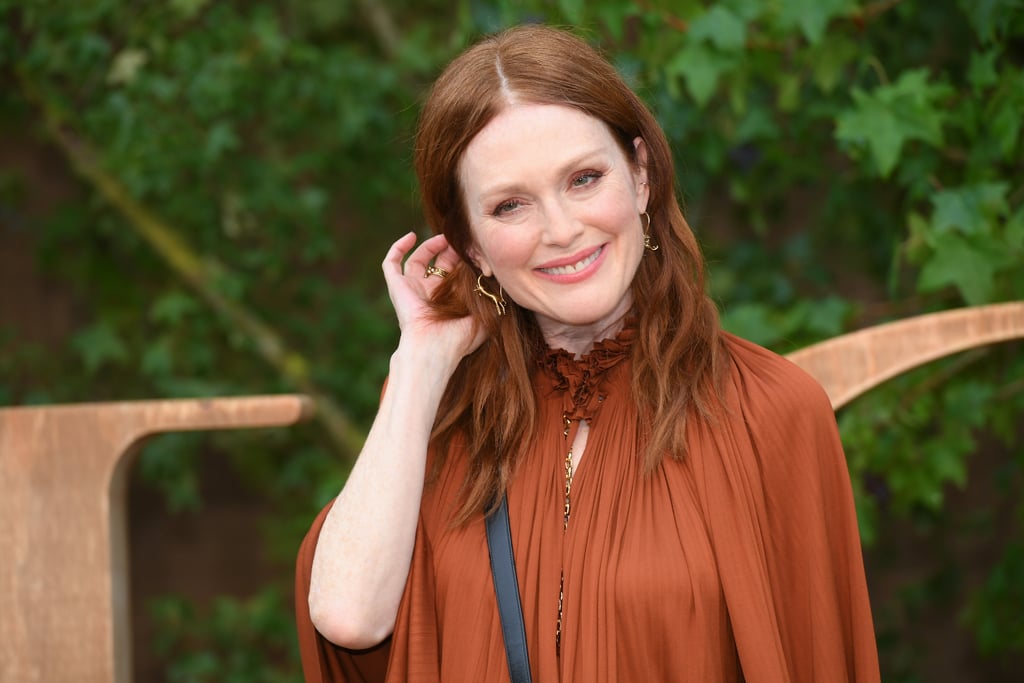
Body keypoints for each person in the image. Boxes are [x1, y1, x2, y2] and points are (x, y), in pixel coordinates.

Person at [296, 23, 880, 682]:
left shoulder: (771, 413)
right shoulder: (434, 413)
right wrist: (420, 361)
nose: (562, 229)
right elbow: (347, 618)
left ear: (640, 176)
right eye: (511, 204)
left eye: (583, 178)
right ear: (474, 244)